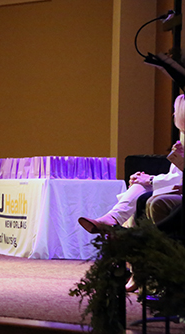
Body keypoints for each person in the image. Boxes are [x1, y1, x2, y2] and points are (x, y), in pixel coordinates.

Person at [79, 95, 185, 233]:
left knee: (144, 189)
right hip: (177, 185)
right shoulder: (182, 137)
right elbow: (177, 174)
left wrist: (151, 180)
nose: (174, 114)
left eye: (176, 110)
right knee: (139, 185)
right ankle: (111, 219)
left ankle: (120, 228)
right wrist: (147, 179)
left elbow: (178, 178)